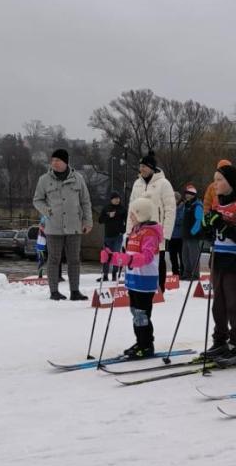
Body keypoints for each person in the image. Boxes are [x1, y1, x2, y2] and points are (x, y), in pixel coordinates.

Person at [201, 164, 236, 363]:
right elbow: (212, 235)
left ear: (231, 183)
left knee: (234, 303)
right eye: (214, 180)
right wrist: (207, 227)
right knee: (219, 304)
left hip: (235, 261)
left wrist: (222, 225)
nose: (215, 184)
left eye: (219, 180)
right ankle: (220, 340)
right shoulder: (218, 204)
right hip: (219, 260)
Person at [32, 147, 93, 301]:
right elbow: (37, 200)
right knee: (53, 259)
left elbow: (85, 201)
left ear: (66, 162)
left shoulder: (78, 178)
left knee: (74, 260)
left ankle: (75, 291)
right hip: (54, 226)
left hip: (74, 226)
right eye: (52, 160)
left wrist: (88, 221)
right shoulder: (44, 180)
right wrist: (47, 210)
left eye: (58, 160)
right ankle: (54, 291)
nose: (54, 163)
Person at [107, 196, 163, 359]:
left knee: (142, 313)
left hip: (145, 280)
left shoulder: (150, 233)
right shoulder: (135, 231)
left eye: (133, 214)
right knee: (135, 312)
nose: (130, 217)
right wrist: (112, 257)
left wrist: (129, 260)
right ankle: (140, 341)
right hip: (133, 279)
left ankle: (147, 345)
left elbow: (147, 257)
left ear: (141, 214)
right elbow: (127, 254)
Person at [127, 152, 176, 294]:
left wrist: (166, 234)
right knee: (141, 257)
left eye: (143, 166)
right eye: (140, 166)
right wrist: (129, 232)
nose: (141, 169)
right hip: (139, 231)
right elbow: (132, 208)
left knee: (158, 258)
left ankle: (160, 287)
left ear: (151, 167)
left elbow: (170, 209)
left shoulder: (164, 184)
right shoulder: (137, 184)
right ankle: (142, 285)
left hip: (156, 230)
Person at [180, 184, 203, 280]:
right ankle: (187, 273)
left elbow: (198, 221)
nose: (187, 195)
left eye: (190, 194)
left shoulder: (197, 205)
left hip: (193, 236)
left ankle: (195, 274)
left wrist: (193, 233)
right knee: (185, 256)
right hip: (185, 235)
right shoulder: (186, 205)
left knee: (194, 256)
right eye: (186, 193)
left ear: (194, 195)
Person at [99, 190, 127, 263]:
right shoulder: (106, 208)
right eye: (115, 198)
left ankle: (115, 272)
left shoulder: (123, 209)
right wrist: (109, 216)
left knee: (116, 255)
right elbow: (100, 220)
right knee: (106, 255)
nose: (117, 200)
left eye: (118, 198)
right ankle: (105, 273)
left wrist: (123, 230)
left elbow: (128, 221)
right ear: (111, 199)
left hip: (118, 236)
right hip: (108, 236)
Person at [167, 190, 184, 276]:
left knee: (181, 256)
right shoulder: (169, 208)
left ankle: (182, 271)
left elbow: (181, 220)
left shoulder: (182, 207)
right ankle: (175, 272)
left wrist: (172, 220)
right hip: (171, 236)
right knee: (172, 256)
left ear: (178, 199)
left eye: (175, 199)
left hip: (180, 236)